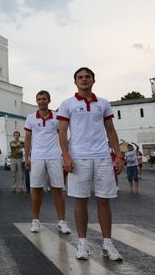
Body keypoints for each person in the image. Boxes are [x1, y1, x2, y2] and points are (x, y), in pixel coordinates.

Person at [57, 67, 124, 261]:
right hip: (79, 158)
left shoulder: (103, 103)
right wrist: (66, 156)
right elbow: (62, 132)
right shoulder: (67, 104)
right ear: (75, 82)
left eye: (87, 77)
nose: (84, 79)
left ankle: (107, 244)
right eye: (80, 77)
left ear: (94, 80)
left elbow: (110, 131)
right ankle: (83, 244)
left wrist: (118, 155)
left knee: (104, 200)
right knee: (81, 200)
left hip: (103, 156)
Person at [24, 90, 71, 234]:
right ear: (36, 101)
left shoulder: (57, 117)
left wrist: (65, 155)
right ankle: (35, 221)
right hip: (37, 157)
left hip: (54, 156)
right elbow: (27, 138)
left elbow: (64, 136)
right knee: (36, 189)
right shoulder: (31, 118)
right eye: (39, 99)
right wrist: (27, 157)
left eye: (44, 99)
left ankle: (62, 221)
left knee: (58, 189)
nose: (41, 101)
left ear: (49, 100)